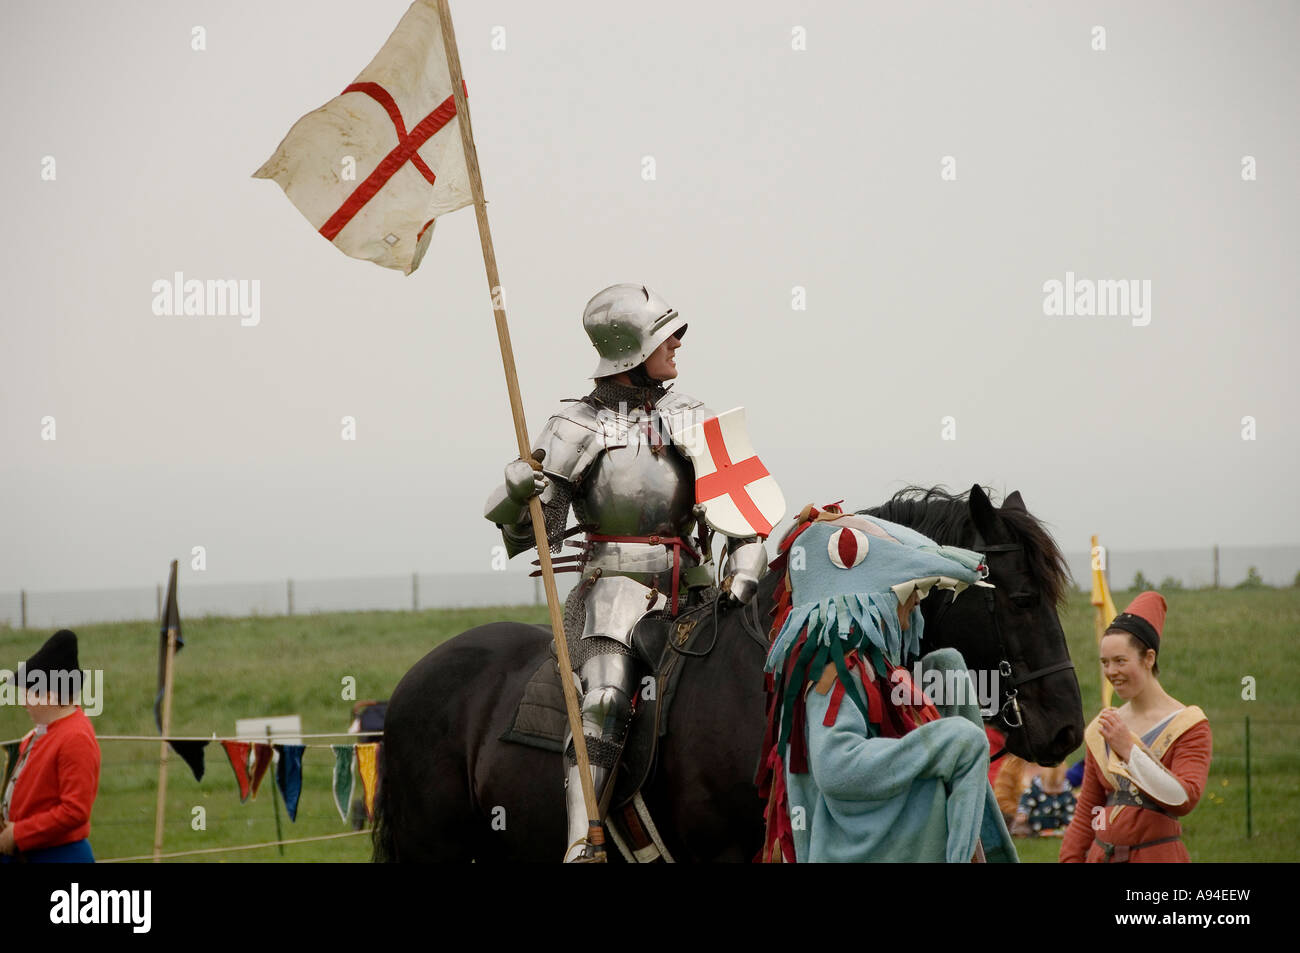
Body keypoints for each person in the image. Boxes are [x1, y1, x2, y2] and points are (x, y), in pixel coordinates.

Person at [484, 283, 772, 862]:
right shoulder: (576, 425)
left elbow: (742, 515)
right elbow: (526, 532)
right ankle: (583, 841)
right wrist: (517, 491)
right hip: (611, 594)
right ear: (632, 351)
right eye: (666, 338)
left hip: (694, 592)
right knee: (608, 697)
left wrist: (743, 571)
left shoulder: (691, 417)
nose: (677, 347)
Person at [756, 506, 1017, 863]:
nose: (911, 620)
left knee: (947, 667)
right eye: (907, 604)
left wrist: (947, 684)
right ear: (869, 602)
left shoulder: (866, 667)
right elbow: (836, 768)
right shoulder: (834, 671)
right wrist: (950, 741)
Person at [1059, 592, 1211, 862]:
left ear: (1149, 658)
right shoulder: (1102, 727)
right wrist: (1070, 858)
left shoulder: (1189, 725)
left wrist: (1129, 749)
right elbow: (1087, 812)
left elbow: (1182, 799)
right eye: (1105, 662)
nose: (1111, 671)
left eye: (1120, 661)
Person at [0, 629, 101, 863]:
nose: (24, 704)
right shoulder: (39, 733)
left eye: (28, 695)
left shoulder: (76, 738)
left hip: (59, 856)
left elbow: (75, 811)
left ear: (48, 694)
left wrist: (18, 833)